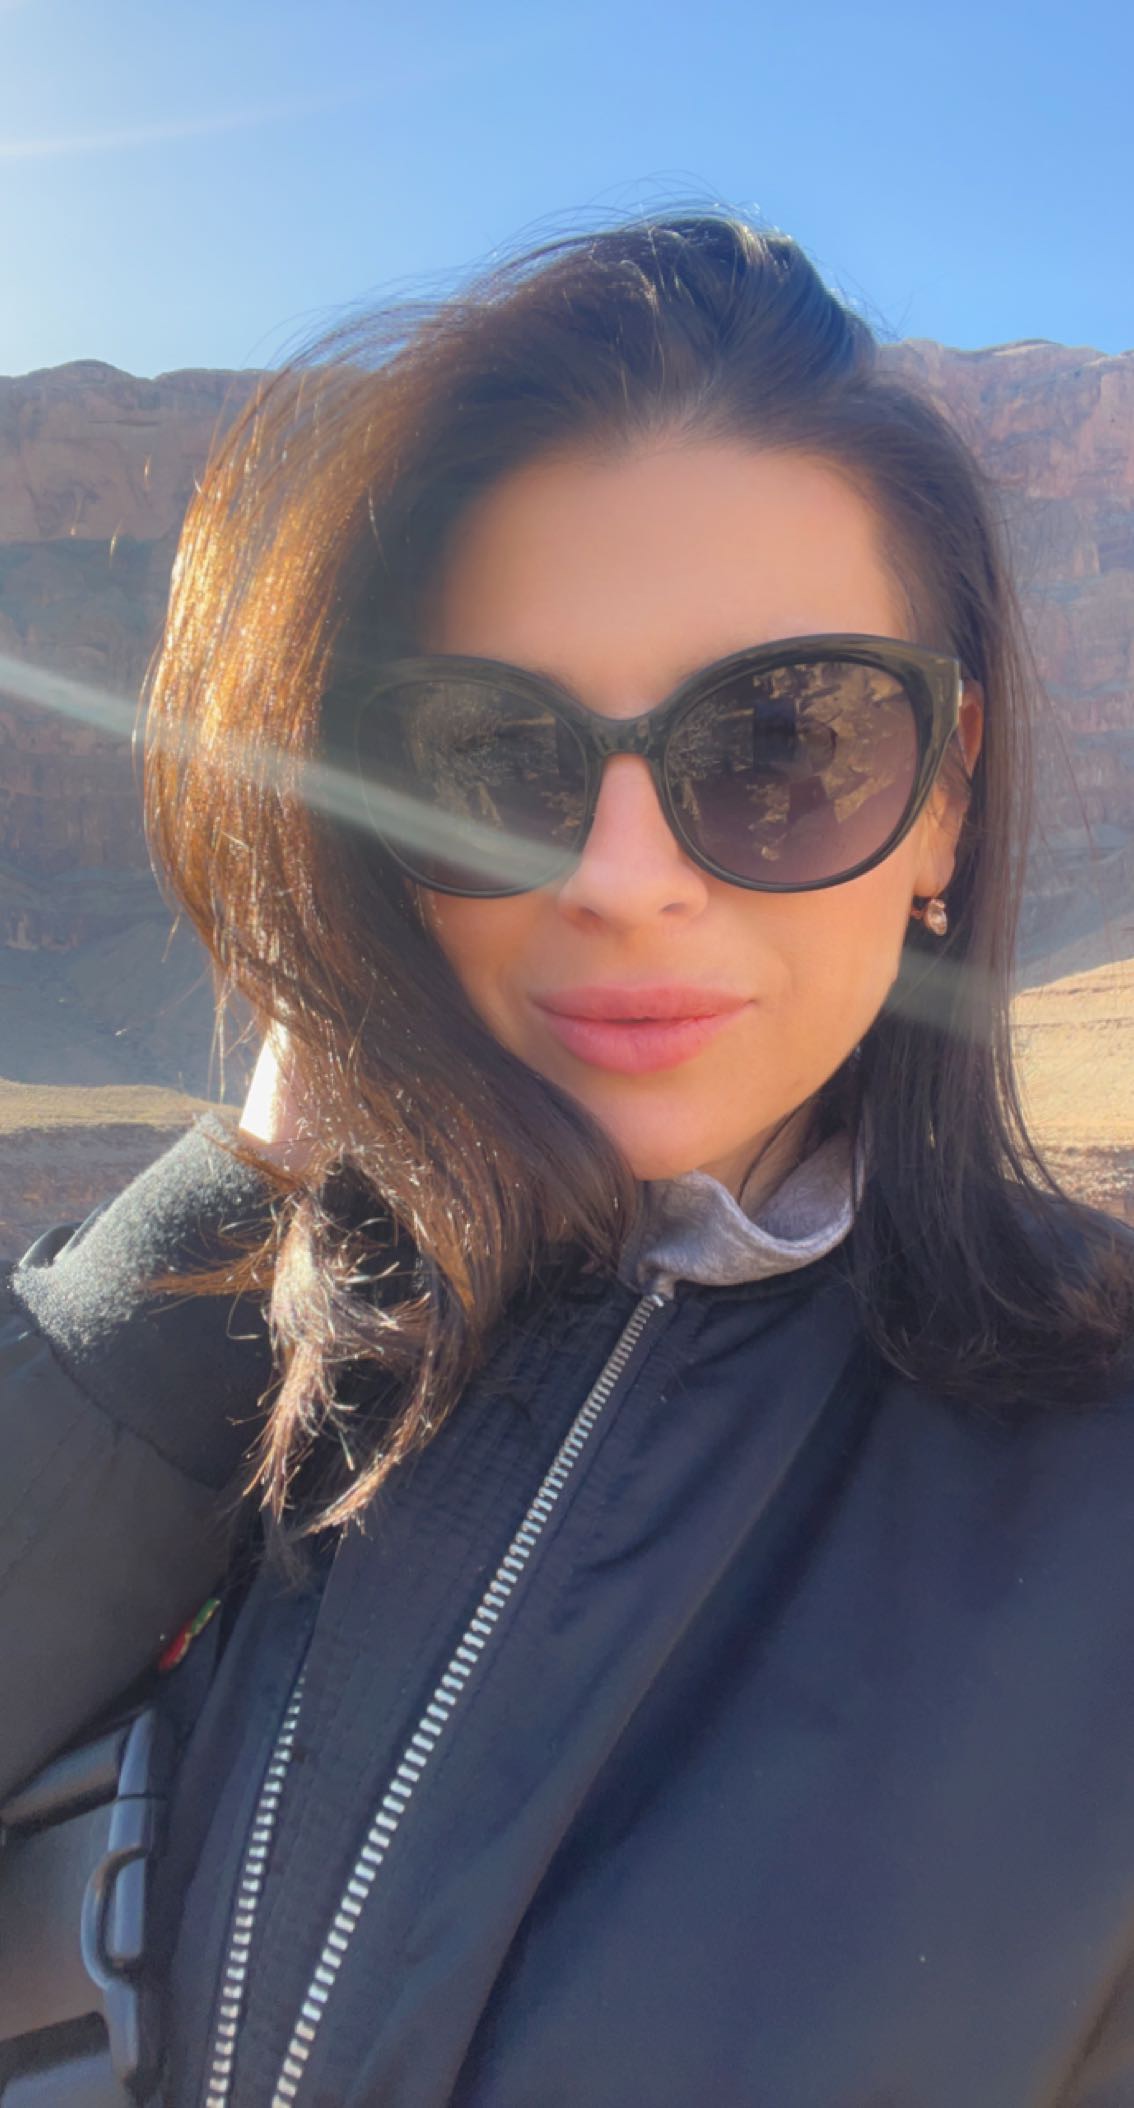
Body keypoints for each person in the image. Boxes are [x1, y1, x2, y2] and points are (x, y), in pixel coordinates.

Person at [3, 212, 1134, 2106]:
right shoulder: (267, 1347)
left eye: (783, 741)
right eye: (488, 756)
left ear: (945, 797)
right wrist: (233, 1216)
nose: (621, 878)